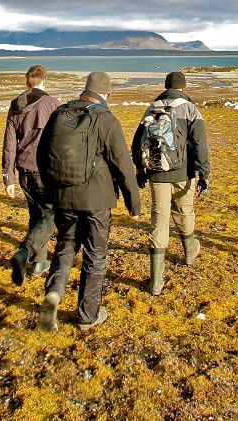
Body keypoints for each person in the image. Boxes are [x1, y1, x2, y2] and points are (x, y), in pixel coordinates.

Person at [36, 71, 140, 331]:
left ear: (85, 89)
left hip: (62, 195)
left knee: (65, 246)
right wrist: (133, 204)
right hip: (97, 201)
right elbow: (123, 166)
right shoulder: (106, 120)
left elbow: (42, 154)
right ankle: (87, 314)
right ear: (106, 94)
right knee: (95, 255)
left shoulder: (60, 113)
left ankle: (54, 294)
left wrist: (51, 189)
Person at [131, 70, 211, 296]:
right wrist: (204, 173)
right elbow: (199, 144)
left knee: (159, 218)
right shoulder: (190, 108)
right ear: (183, 88)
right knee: (185, 210)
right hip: (183, 172)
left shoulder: (152, 108)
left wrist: (140, 169)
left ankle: (156, 281)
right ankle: (189, 250)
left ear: (166, 87)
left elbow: (138, 142)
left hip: (156, 173)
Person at [3, 64, 61, 286]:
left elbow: (9, 143)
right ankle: (25, 251)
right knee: (50, 214)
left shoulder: (15, 106)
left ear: (27, 82)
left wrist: (8, 175)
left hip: (23, 170)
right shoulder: (51, 104)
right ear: (44, 79)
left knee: (36, 215)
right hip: (44, 169)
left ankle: (40, 261)